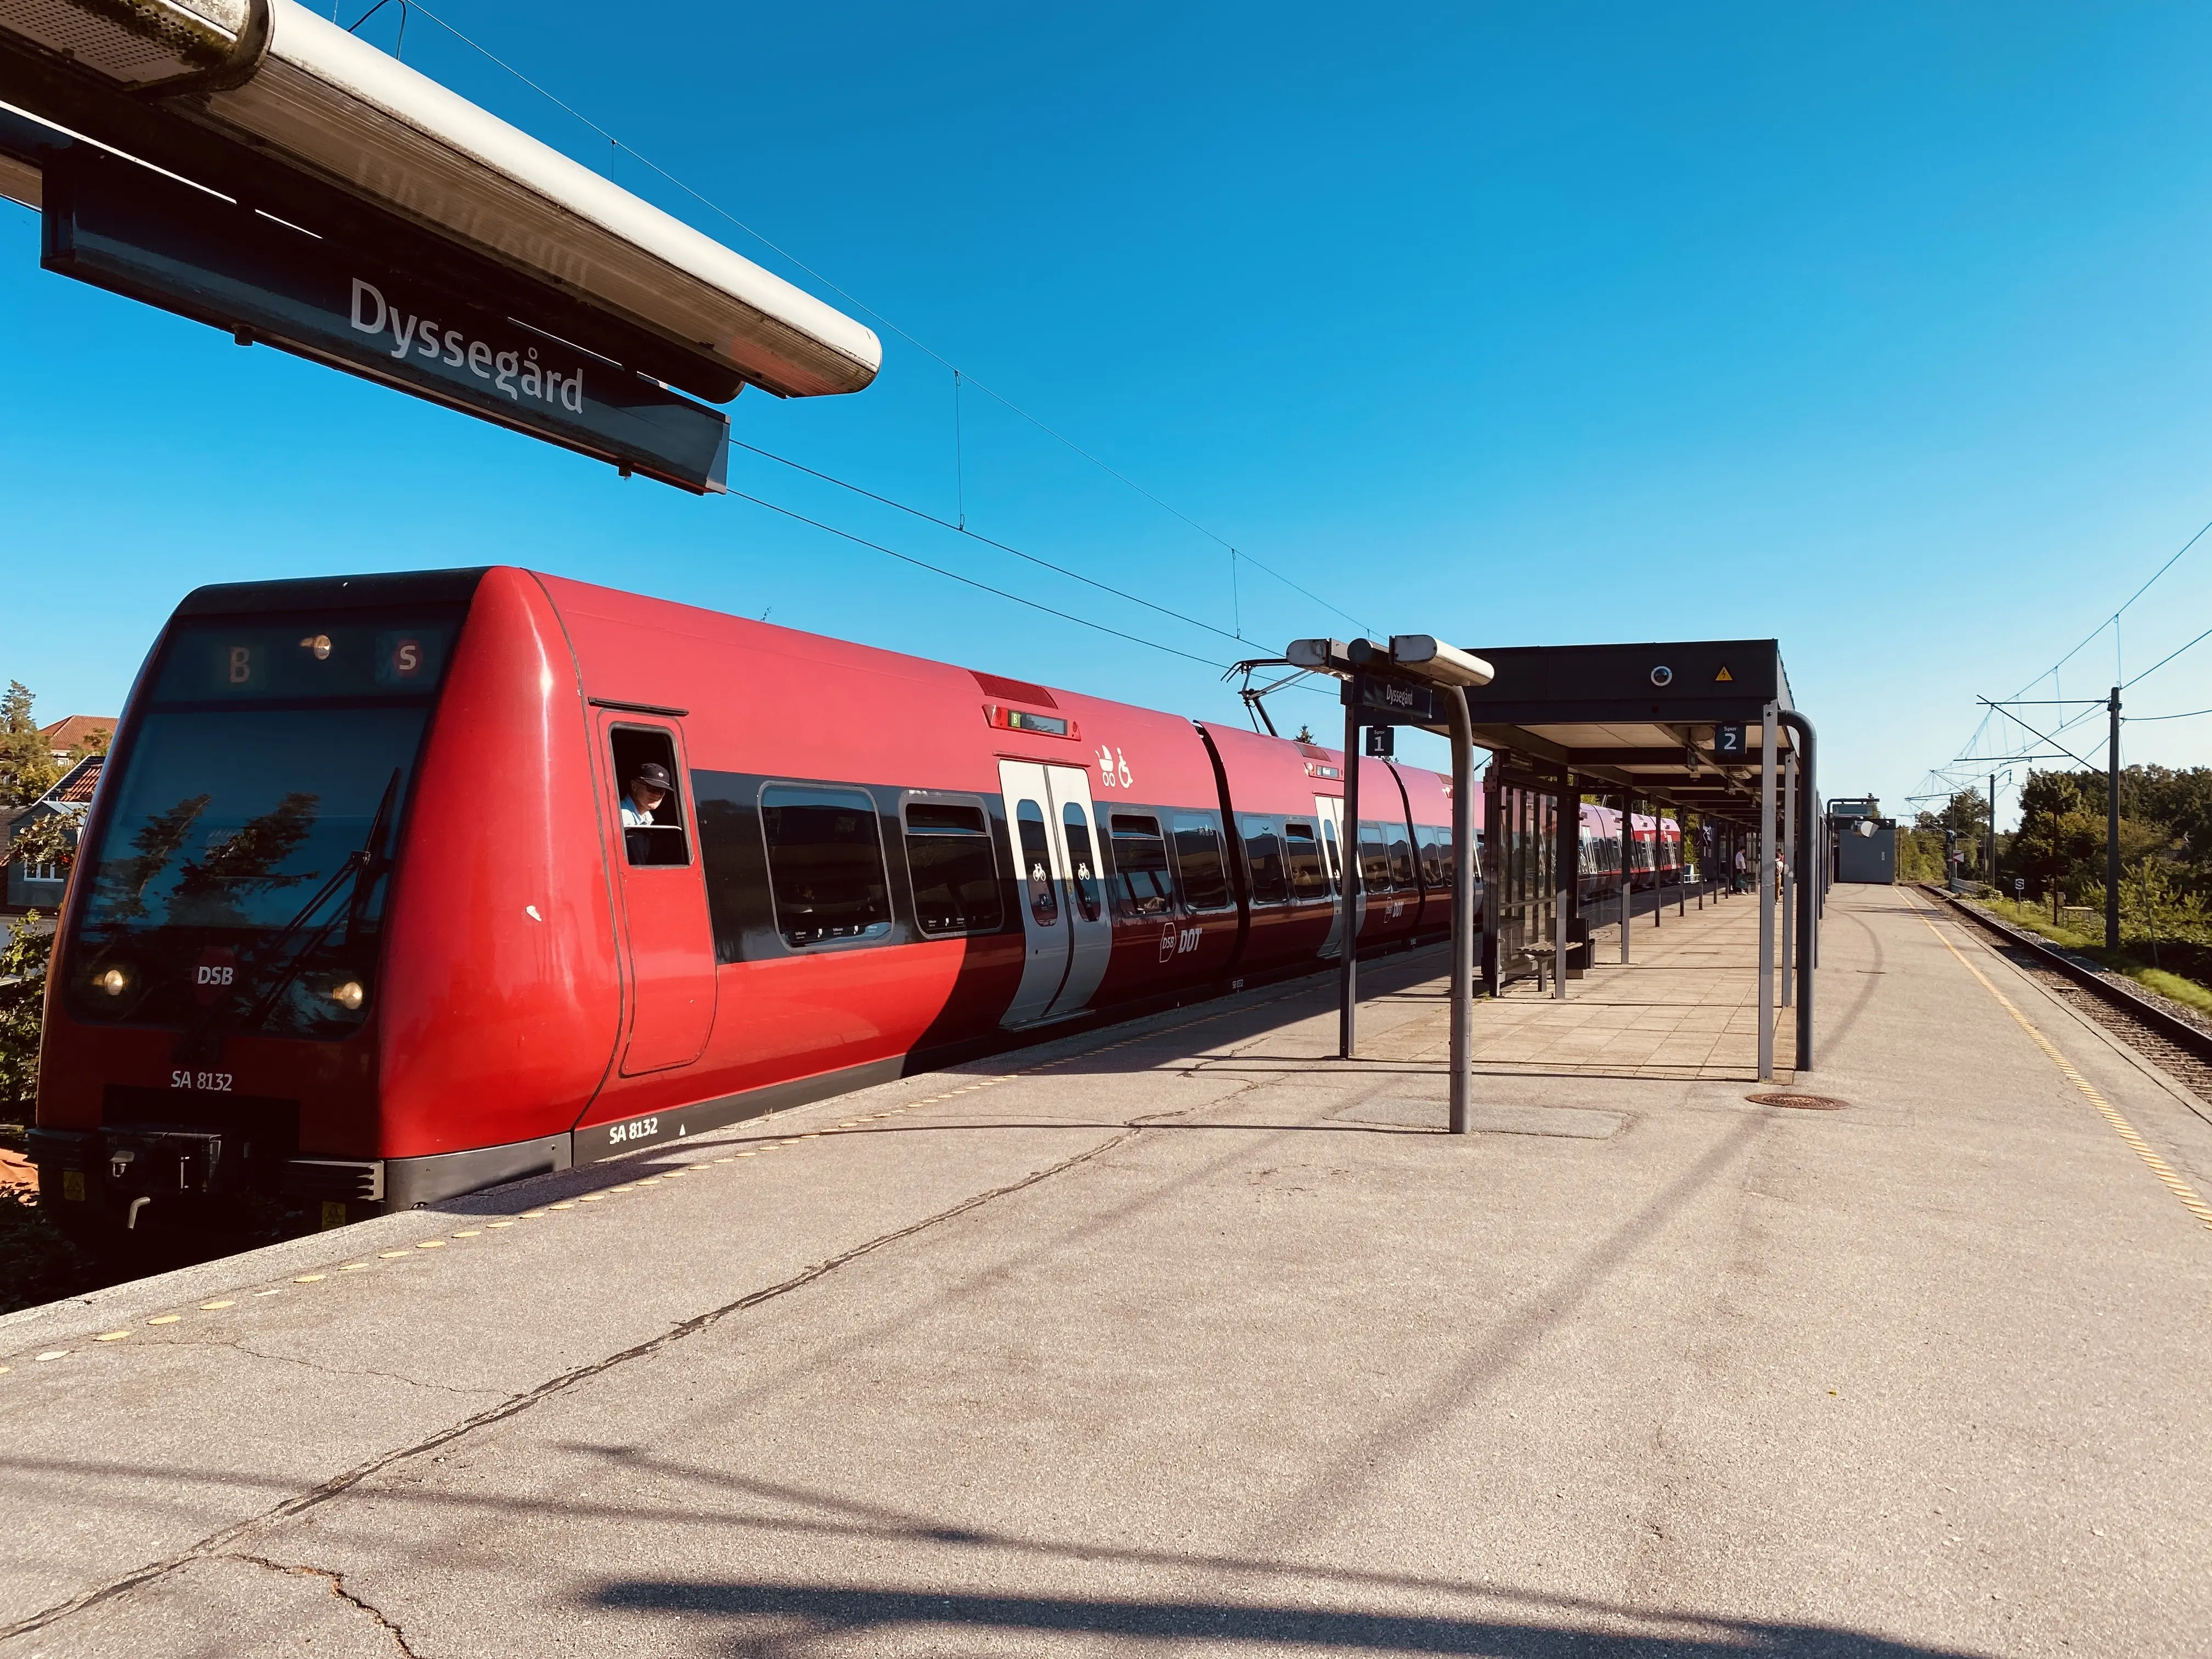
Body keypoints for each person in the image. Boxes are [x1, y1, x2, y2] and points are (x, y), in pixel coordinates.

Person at [622, 761, 673, 827]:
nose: (657, 794)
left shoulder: (647, 818)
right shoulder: (621, 819)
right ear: (634, 786)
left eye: (662, 791)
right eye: (652, 788)